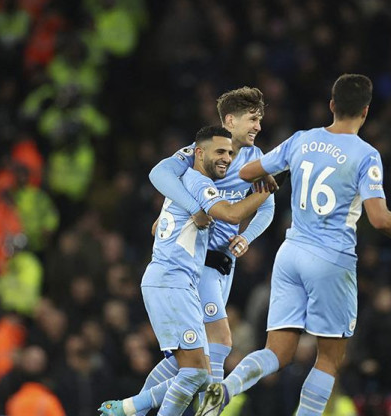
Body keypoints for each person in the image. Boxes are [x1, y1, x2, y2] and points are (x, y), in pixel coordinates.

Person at [195, 73, 391, 416]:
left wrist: (270, 174)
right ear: (366, 111)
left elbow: (247, 171)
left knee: (278, 352)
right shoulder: (366, 155)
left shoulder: (302, 140)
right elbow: (380, 219)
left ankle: (227, 386)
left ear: (332, 106)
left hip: (291, 252)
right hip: (331, 259)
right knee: (328, 358)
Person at [103, 87, 276, 416]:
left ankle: (133, 407)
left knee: (193, 359)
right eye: (253, 119)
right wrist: (191, 207)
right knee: (218, 346)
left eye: (260, 120)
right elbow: (160, 175)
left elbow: (266, 208)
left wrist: (247, 237)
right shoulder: (201, 159)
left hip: (223, 264)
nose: (258, 126)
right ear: (230, 120)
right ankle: (192, 412)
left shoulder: (256, 161)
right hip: (198, 264)